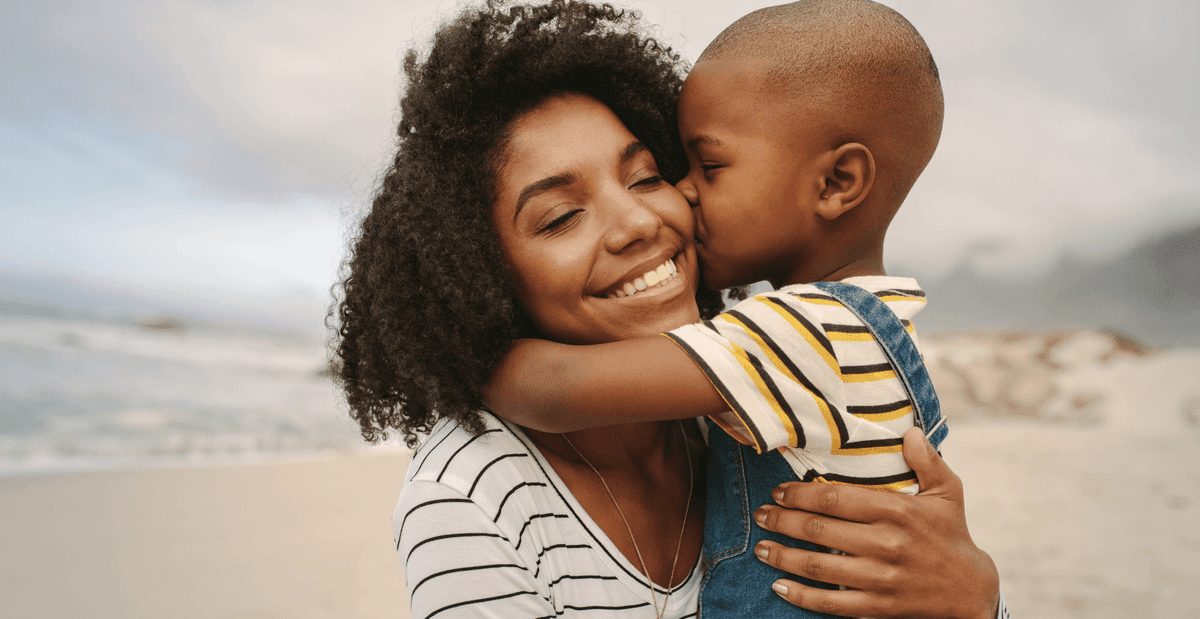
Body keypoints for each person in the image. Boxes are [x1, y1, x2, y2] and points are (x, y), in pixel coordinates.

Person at [334, 1, 1001, 618]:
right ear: (474, 272)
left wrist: (977, 601)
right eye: (563, 215)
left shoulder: (751, 379)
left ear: (837, 183)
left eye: (648, 175)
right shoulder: (473, 497)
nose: (642, 218)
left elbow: (557, 390)